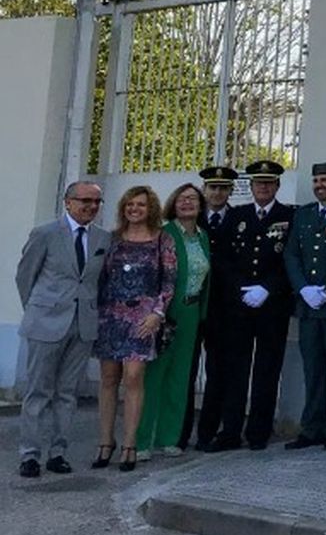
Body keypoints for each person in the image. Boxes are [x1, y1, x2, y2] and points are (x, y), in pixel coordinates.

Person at [14, 181, 109, 477]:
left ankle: (58, 452)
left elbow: (98, 282)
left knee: (67, 393)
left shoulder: (103, 238)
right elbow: (25, 276)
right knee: (38, 391)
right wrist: (38, 310)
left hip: (82, 325)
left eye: (96, 202)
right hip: (46, 322)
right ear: (67, 202)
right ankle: (30, 454)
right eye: (84, 201)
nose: (91, 207)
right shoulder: (45, 234)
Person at [200, 159, 294, 452]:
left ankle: (258, 432)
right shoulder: (236, 216)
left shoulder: (289, 215)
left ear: (277, 186)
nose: (263, 187)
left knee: (267, 369)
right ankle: (230, 431)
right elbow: (222, 258)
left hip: (272, 306)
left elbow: (291, 258)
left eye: (269, 183)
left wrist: (268, 287)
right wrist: (241, 288)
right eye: (258, 182)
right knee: (235, 369)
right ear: (251, 186)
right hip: (238, 306)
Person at [92, 186, 177, 472]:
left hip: (143, 319)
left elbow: (168, 282)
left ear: (150, 207)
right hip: (110, 316)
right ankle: (105, 442)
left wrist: (157, 313)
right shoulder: (112, 239)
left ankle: (130, 443)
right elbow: (99, 277)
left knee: (133, 376)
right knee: (108, 378)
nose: (134, 209)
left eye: (140, 204)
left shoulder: (162, 240)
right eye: (129, 204)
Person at [134, 183, 211, 458]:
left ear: (201, 205)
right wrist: (157, 312)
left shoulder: (203, 237)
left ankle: (168, 437)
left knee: (180, 377)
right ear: (173, 204)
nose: (187, 203)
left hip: (191, 312)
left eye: (192, 199)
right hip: (165, 313)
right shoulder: (164, 234)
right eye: (181, 199)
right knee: (155, 376)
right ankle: (142, 440)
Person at [282, 161, 326, 450]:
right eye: (315, 181)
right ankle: (312, 426)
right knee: (313, 369)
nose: (319, 186)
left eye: (324, 180)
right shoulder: (304, 214)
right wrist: (303, 289)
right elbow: (292, 255)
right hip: (309, 305)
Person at [183, 165, 235, 450]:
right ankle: (179, 432)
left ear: (230, 191)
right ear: (205, 190)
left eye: (223, 188)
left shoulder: (240, 218)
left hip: (224, 309)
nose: (217, 193)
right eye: (213, 187)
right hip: (191, 306)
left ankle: (208, 433)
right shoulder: (191, 219)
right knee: (186, 372)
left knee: (218, 373)